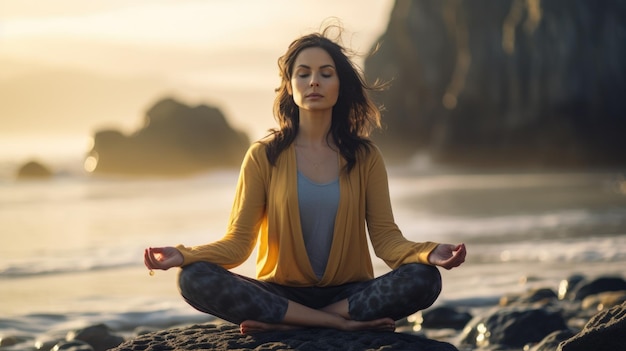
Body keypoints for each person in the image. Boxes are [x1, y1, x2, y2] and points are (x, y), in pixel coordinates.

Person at [144, 24, 466, 335]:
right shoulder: (263, 155)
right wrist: (186, 255)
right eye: (304, 74)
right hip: (281, 294)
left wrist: (428, 252)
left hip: (347, 295)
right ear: (289, 85)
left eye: (326, 74)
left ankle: (299, 321)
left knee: (425, 278)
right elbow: (238, 245)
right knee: (193, 278)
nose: (314, 82)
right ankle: (333, 322)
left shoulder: (366, 157)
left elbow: (385, 240)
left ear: (340, 86)